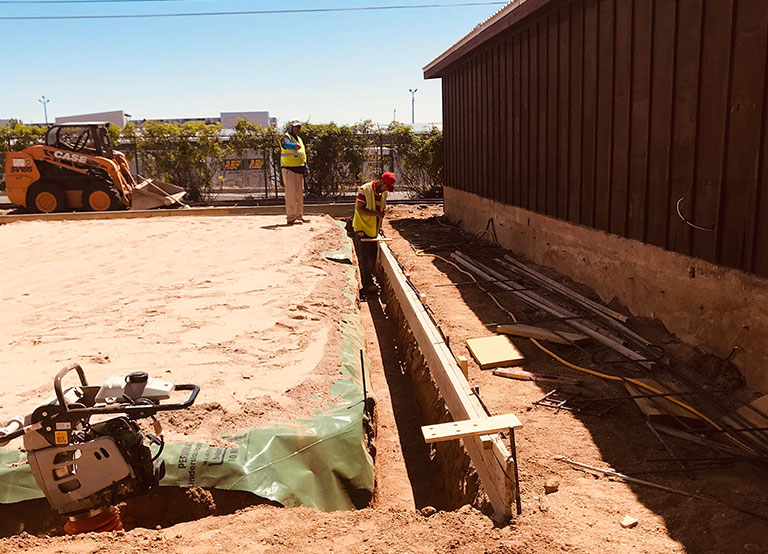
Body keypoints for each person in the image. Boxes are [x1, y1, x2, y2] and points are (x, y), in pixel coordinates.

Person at [352, 172, 396, 297]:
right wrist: (376, 214)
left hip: (373, 231)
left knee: (372, 258)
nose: (387, 190)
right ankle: (367, 286)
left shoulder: (383, 193)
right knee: (365, 260)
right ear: (381, 182)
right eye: (386, 187)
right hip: (362, 230)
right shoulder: (364, 190)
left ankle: (370, 282)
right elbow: (360, 209)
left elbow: (381, 210)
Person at [280, 120, 310, 225]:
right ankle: (291, 218)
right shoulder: (286, 136)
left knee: (299, 194)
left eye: (299, 127)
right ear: (290, 128)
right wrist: (293, 146)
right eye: (295, 127)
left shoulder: (299, 139)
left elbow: (302, 154)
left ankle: (299, 216)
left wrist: (305, 166)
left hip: (299, 169)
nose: (297, 129)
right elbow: (285, 144)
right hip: (289, 170)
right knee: (291, 194)